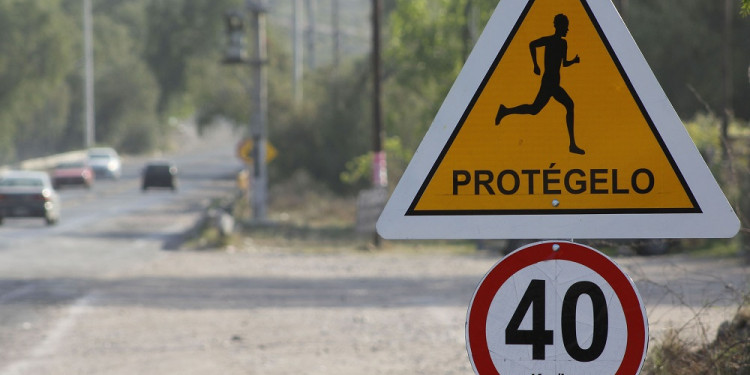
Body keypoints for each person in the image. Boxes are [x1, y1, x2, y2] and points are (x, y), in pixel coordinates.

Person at [495, 14, 584, 155]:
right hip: (549, 82)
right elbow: (532, 44)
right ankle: (505, 111)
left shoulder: (563, 44)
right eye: (565, 26)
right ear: (559, 26)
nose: (567, 29)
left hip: (555, 81)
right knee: (541, 108)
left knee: (536, 109)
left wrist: (574, 61)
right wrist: (535, 65)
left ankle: (505, 111)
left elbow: (564, 63)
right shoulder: (548, 41)